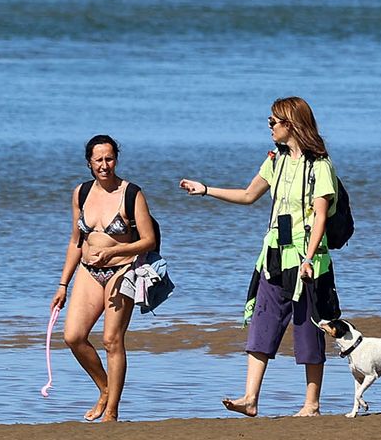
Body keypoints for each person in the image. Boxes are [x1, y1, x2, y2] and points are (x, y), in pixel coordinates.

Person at [178, 96, 338, 418]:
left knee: (308, 329)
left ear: (290, 124)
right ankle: (250, 399)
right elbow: (249, 195)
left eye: (273, 121)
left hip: (308, 261)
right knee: (263, 323)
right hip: (274, 255)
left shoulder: (319, 166)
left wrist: (308, 259)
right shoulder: (275, 161)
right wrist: (206, 189)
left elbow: (320, 217)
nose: (269, 126)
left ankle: (312, 404)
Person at [50, 135, 158, 423]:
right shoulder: (81, 193)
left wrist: (116, 252)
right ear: (89, 162)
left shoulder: (131, 193)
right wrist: (62, 284)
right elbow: (75, 241)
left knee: (112, 340)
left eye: (109, 158)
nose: (104, 165)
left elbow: (149, 240)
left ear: (116, 159)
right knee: (73, 336)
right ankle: (105, 389)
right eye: (98, 160)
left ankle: (112, 411)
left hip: (121, 270)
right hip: (88, 271)